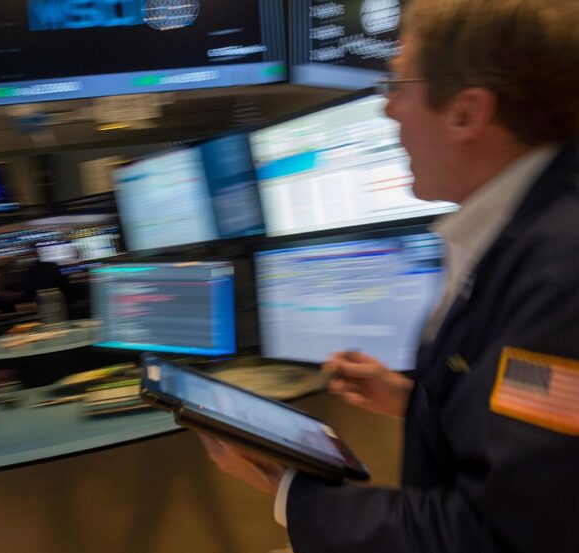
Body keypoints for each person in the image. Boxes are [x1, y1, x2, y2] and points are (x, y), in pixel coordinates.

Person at [202, 0, 579, 551]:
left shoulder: (561, 272)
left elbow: (497, 535)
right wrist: (416, 400)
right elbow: (535, 443)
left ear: (466, 114)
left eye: (398, 85)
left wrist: (291, 490)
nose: (388, 111)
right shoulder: (525, 230)